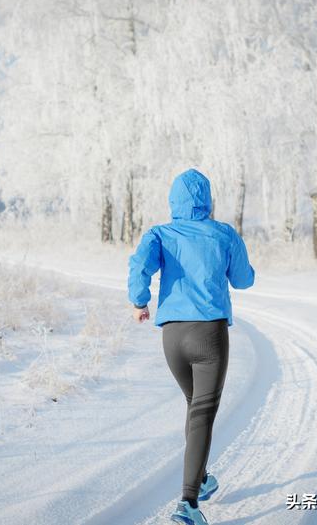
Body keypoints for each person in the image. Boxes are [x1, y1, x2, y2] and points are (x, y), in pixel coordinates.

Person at [127, 168, 255, 525]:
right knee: (202, 412)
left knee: (194, 405)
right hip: (209, 335)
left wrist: (140, 302)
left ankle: (201, 478)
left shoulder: (160, 234)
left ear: (174, 201)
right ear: (207, 200)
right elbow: (244, 280)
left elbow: (139, 265)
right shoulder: (223, 234)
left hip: (172, 338)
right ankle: (189, 504)